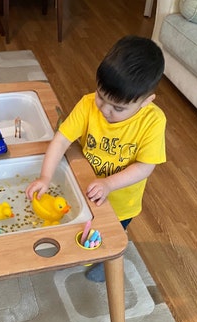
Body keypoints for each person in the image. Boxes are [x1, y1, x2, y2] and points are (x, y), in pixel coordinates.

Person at [25, 35, 167, 282]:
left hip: (121, 201)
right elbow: (61, 140)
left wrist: (109, 184)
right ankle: (84, 251)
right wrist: (45, 177)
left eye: (118, 108)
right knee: (82, 226)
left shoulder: (153, 121)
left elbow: (145, 166)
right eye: (101, 96)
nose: (104, 109)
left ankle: (107, 259)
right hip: (84, 187)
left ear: (146, 102)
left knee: (109, 236)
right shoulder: (88, 104)